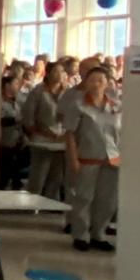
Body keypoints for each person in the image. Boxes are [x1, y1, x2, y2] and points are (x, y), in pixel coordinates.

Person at [64, 67, 121, 252]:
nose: (96, 84)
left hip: (112, 159)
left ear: (107, 83)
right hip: (87, 158)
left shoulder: (116, 106)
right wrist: (73, 159)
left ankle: (99, 234)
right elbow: (70, 134)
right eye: (92, 80)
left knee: (107, 200)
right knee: (84, 198)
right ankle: (81, 235)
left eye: (100, 80)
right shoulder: (78, 105)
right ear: (86, 83)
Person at [23, 63, 67, 200]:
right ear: (48, 74)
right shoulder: (38, 92)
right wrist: (42, 132)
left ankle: (51, 204)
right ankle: (32, 204)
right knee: (38, 176)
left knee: (56, 178)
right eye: (56, 71)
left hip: (62, 141)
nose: (60, 74)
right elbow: (28, 118)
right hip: (41, 140)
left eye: (62, 71)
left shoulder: (67, 92)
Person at [0, 73, 28, 191]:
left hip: (18, 140)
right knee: (3, 173)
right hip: (4, 141)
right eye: (15, 83)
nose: (18, 86)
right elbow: (0, 120)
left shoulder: (19, 100)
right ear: (7, 85)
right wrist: (16, 119)